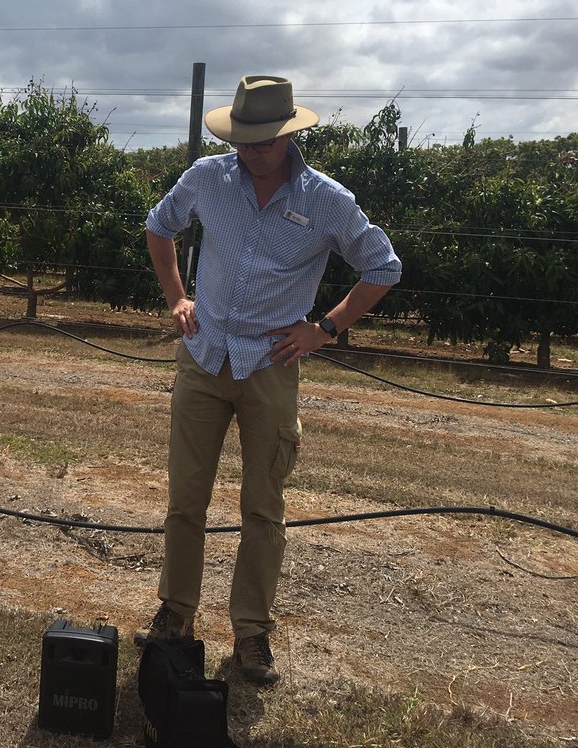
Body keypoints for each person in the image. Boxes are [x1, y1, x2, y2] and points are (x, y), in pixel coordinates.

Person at [136, 75, 401, 684]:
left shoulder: (327, 199)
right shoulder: (207, 177)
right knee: (186, 498)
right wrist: (177, 297)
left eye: (263, 140)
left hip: (272, 366)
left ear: (287, 134)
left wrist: (325, 329)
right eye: (243, 139)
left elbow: (383, 266)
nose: (250, 151)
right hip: (203, 358)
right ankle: (174, 614)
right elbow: (159, 226)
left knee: (263, 507)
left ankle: (251, 633)